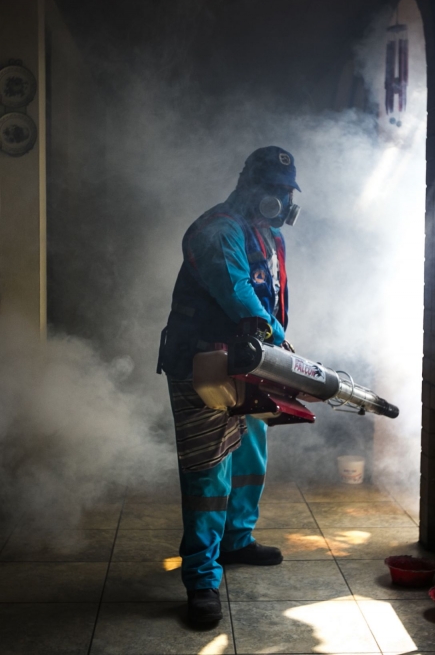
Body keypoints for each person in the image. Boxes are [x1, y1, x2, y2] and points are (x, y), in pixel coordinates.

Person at [156, 146, 302, 624]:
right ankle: (201, 577)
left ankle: (237, 541)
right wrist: (282, 344)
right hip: (201, 363)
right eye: (273, 191)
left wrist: (279, 349)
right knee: (208, 470)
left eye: (286, 193)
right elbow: (239, 293)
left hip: (248, 361)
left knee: (249, 453)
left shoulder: (268, 235)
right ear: (248, 186)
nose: (280, 202)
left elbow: (271, 298)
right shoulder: (217, 230)